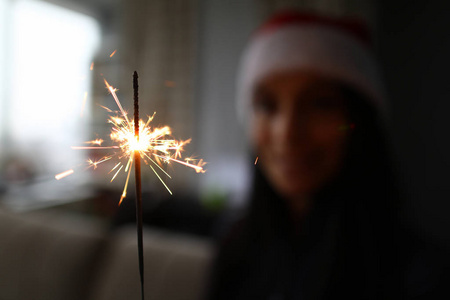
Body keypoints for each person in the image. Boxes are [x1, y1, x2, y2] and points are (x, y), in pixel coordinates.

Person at [206, 11, 449, 300]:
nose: (287, 134)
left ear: (359, 120)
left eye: (320, 104)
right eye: (268, 106)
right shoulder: (235, 247)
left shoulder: (419, 275)